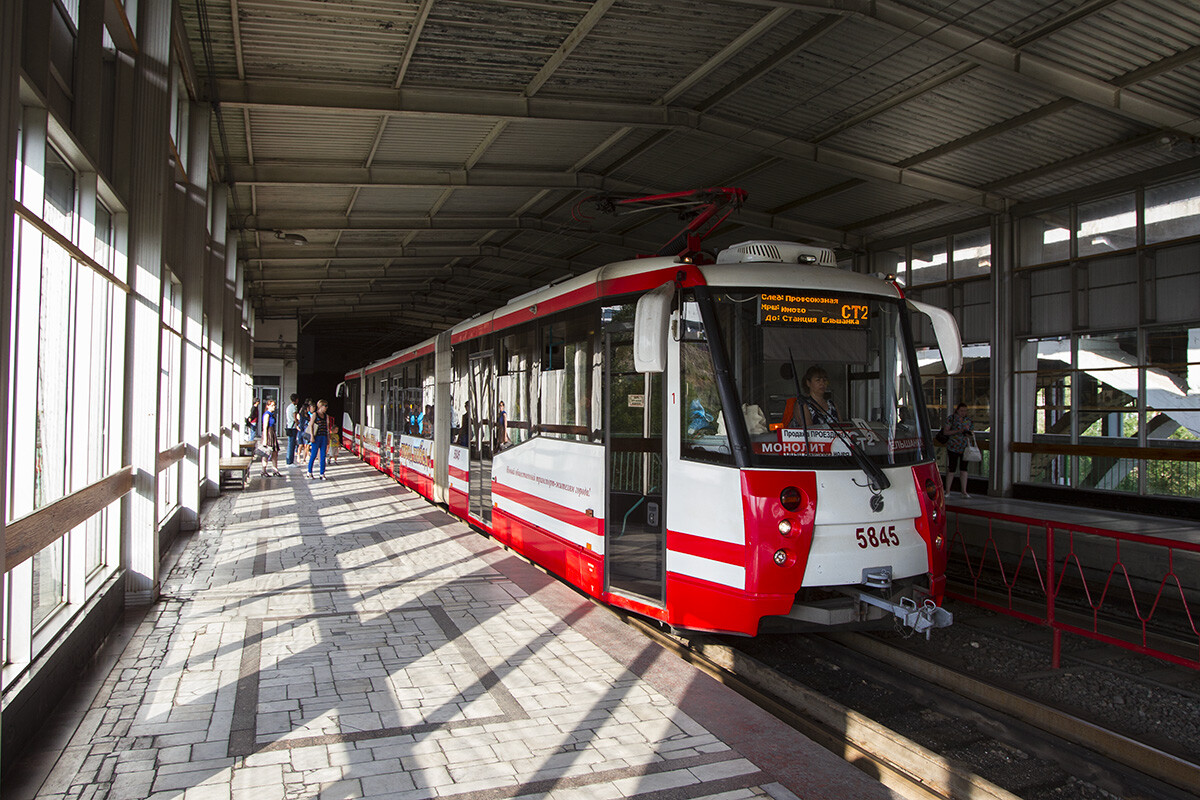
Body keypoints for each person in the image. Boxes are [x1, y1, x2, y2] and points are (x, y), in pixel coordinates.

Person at [943, 402, 974, 498]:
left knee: (964, 468)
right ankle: (947, 490)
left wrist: (968, 433)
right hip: (953, 446)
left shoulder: (968, 420)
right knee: (952, 467)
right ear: (957, 410)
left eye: (965, 411)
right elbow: (946, 432)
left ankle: (964, 491)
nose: (963, 413)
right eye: (961, 411)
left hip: (964, 447)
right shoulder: (951, 419)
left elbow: (972, 433)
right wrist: (957, 431)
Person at [307, 399, 331, 480]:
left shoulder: (326, 416)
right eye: (325, 406)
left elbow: (327, 427)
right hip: (316, 437)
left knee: (323, 455)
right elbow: (311, 425)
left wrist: (328, 438)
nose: (326, 408)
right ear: (320, 406)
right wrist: (312, 436)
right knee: (313, 455)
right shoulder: (315, 415)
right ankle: (309, 472)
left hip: (323, 436)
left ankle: (322, 473)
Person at [258, 399, 282, 477]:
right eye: (272, 405)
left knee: (275, 452)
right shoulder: (267, 415)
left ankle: (275, 469)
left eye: (274, 405)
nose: (274, 407)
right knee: (266, 453)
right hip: (268, 434)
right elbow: (264, 427)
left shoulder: (272, 414)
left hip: (272, 434)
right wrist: (265, 439)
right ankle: (263, 470)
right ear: (267, 406)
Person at [284, 393, 300, 465]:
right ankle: (290, 462)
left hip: (289, 426)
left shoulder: (289, 407)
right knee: (292, 445)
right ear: (296, 400)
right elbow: (295, 416)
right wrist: (297, 423)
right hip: (292, 427)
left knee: (291, 444)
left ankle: (289, 461)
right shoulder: (294, 407)